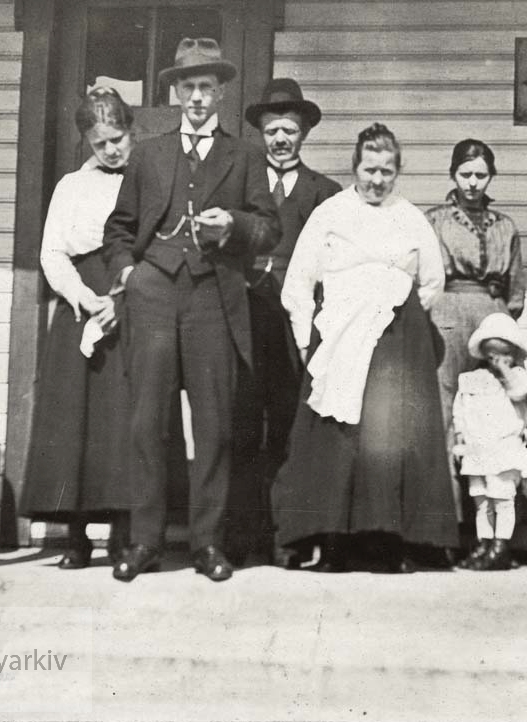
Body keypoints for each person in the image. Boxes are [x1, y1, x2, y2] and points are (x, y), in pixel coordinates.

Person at [102, 38, 280, 583]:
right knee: (147, 424)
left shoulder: (245, 154)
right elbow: (120, 229)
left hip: (213, 296)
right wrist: (130, 276)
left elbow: (269, 226)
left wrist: (235, 227)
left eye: (207, 87)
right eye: (188, 87)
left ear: (221, 93)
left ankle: (207, 543)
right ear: (175, 93)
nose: (198, 97)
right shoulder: (150, 153)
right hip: (154, 293)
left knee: (215, 426)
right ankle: (145, 542)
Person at [272, 123, 458, 573]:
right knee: (338, 441)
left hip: (397, 339)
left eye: (387, 171)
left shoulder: (411, 217)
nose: (377, 180)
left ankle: (387, 544)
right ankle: (333, 545)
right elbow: (298, 282)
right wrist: (305, 340)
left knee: (391, 438)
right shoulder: (331, 212)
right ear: (355, 167)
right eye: (369, 169)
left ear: (398, 172)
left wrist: (400, 314)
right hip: (338, 333)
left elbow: (433, 281)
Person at [20, 87, 136, 572]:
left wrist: (122, 300)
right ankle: (76, 537)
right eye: (100, 143)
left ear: (131, 131)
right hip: (79, 304)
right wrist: (81, 297)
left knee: (125, 421)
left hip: (130, 299)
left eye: (118, 138)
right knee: (74, 421)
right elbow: (52, 252)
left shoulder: (146, 180)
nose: (111, 150)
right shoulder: (72, 186)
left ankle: (125, 536)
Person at [227, 78, 341, 564]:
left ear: (304, 134)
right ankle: (241, 540)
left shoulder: (326, 193)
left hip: (301, 331)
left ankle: (287, 538)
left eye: (289, 130)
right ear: (260, 134)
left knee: (293, 431)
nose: (279, 139)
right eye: (272, 129)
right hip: (246, 323)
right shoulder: (238, 187)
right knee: (243, 428)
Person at [424, 139, 525, 521]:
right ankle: (446, 521)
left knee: (495, 417)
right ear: (452, 175)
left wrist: (502, 328)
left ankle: (497, 523)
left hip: (493, 320)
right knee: (446, 414)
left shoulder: (505, 227)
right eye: (465, 174)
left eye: (480, 175)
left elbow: (516, 291)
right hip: (446, 316)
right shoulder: (434, 221)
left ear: (490, 177)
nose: (472, 183)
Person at [452, 313, 527, 571]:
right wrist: (460, 435)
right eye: (493, 355)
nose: (498, 361)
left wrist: (506, 370)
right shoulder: (471, 378)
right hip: (477, 448)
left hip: (504, 448)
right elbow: (460, 409)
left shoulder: (517, 376)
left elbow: (520, 393)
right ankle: (484, 543)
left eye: (505, 354)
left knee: (502, 498)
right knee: (481, 499)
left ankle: (501, 545)